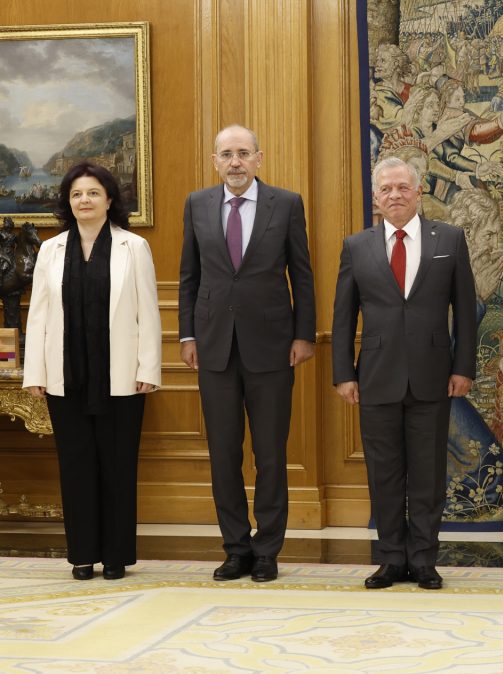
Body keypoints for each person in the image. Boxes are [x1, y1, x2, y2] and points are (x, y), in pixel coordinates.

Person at [178, 125, 316, 583]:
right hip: (213, 347)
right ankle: (236, 549)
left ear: (259, 158)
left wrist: (304, 335)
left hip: (273, 347)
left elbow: (302, 274)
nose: (234, 162)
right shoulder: (197, 204)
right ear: (214, 161)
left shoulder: (287, 204)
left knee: (270, 453)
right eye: (226, 154)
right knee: (223, 454)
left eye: (243, 153)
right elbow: (189, 277)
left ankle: (267, 550)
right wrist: (187, 336)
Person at [332, 157, 476, 590]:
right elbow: (343, 316)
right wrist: (344, 373)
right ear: (376, 198)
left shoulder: (449, 239)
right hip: (375, 378)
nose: (394, 195)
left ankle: (425, 560)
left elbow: (465, 310)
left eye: (402, 187)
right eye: (386, 189)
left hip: (434, 376)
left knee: (429, 474)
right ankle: (392, 559)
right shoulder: (356, 246)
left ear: (418, 191)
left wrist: (463, 367)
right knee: (384, 473)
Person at [23, 162, 161, 581]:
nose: (85, 200)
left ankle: (116, 556)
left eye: (93, 193)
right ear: (68, 201)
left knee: (118, 466)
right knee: (76, 466)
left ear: (109, 199)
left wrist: (148, 367)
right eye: (77, 194)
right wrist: (35, 372)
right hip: (65, 377)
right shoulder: (51, 250)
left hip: (122, 376)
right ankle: (82, 555)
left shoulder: (133, 247)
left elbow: (148, 312)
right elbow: (38, 315)